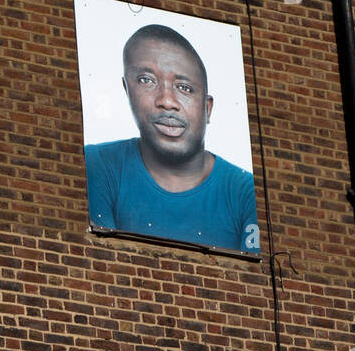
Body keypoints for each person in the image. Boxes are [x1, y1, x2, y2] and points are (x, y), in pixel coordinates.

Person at [84, 24, 259, 253]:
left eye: (184, 87)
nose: (167, 100)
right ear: (127, 91)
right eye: (147, 80)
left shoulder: (246, 192)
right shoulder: (97, 164)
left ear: (208, 108)